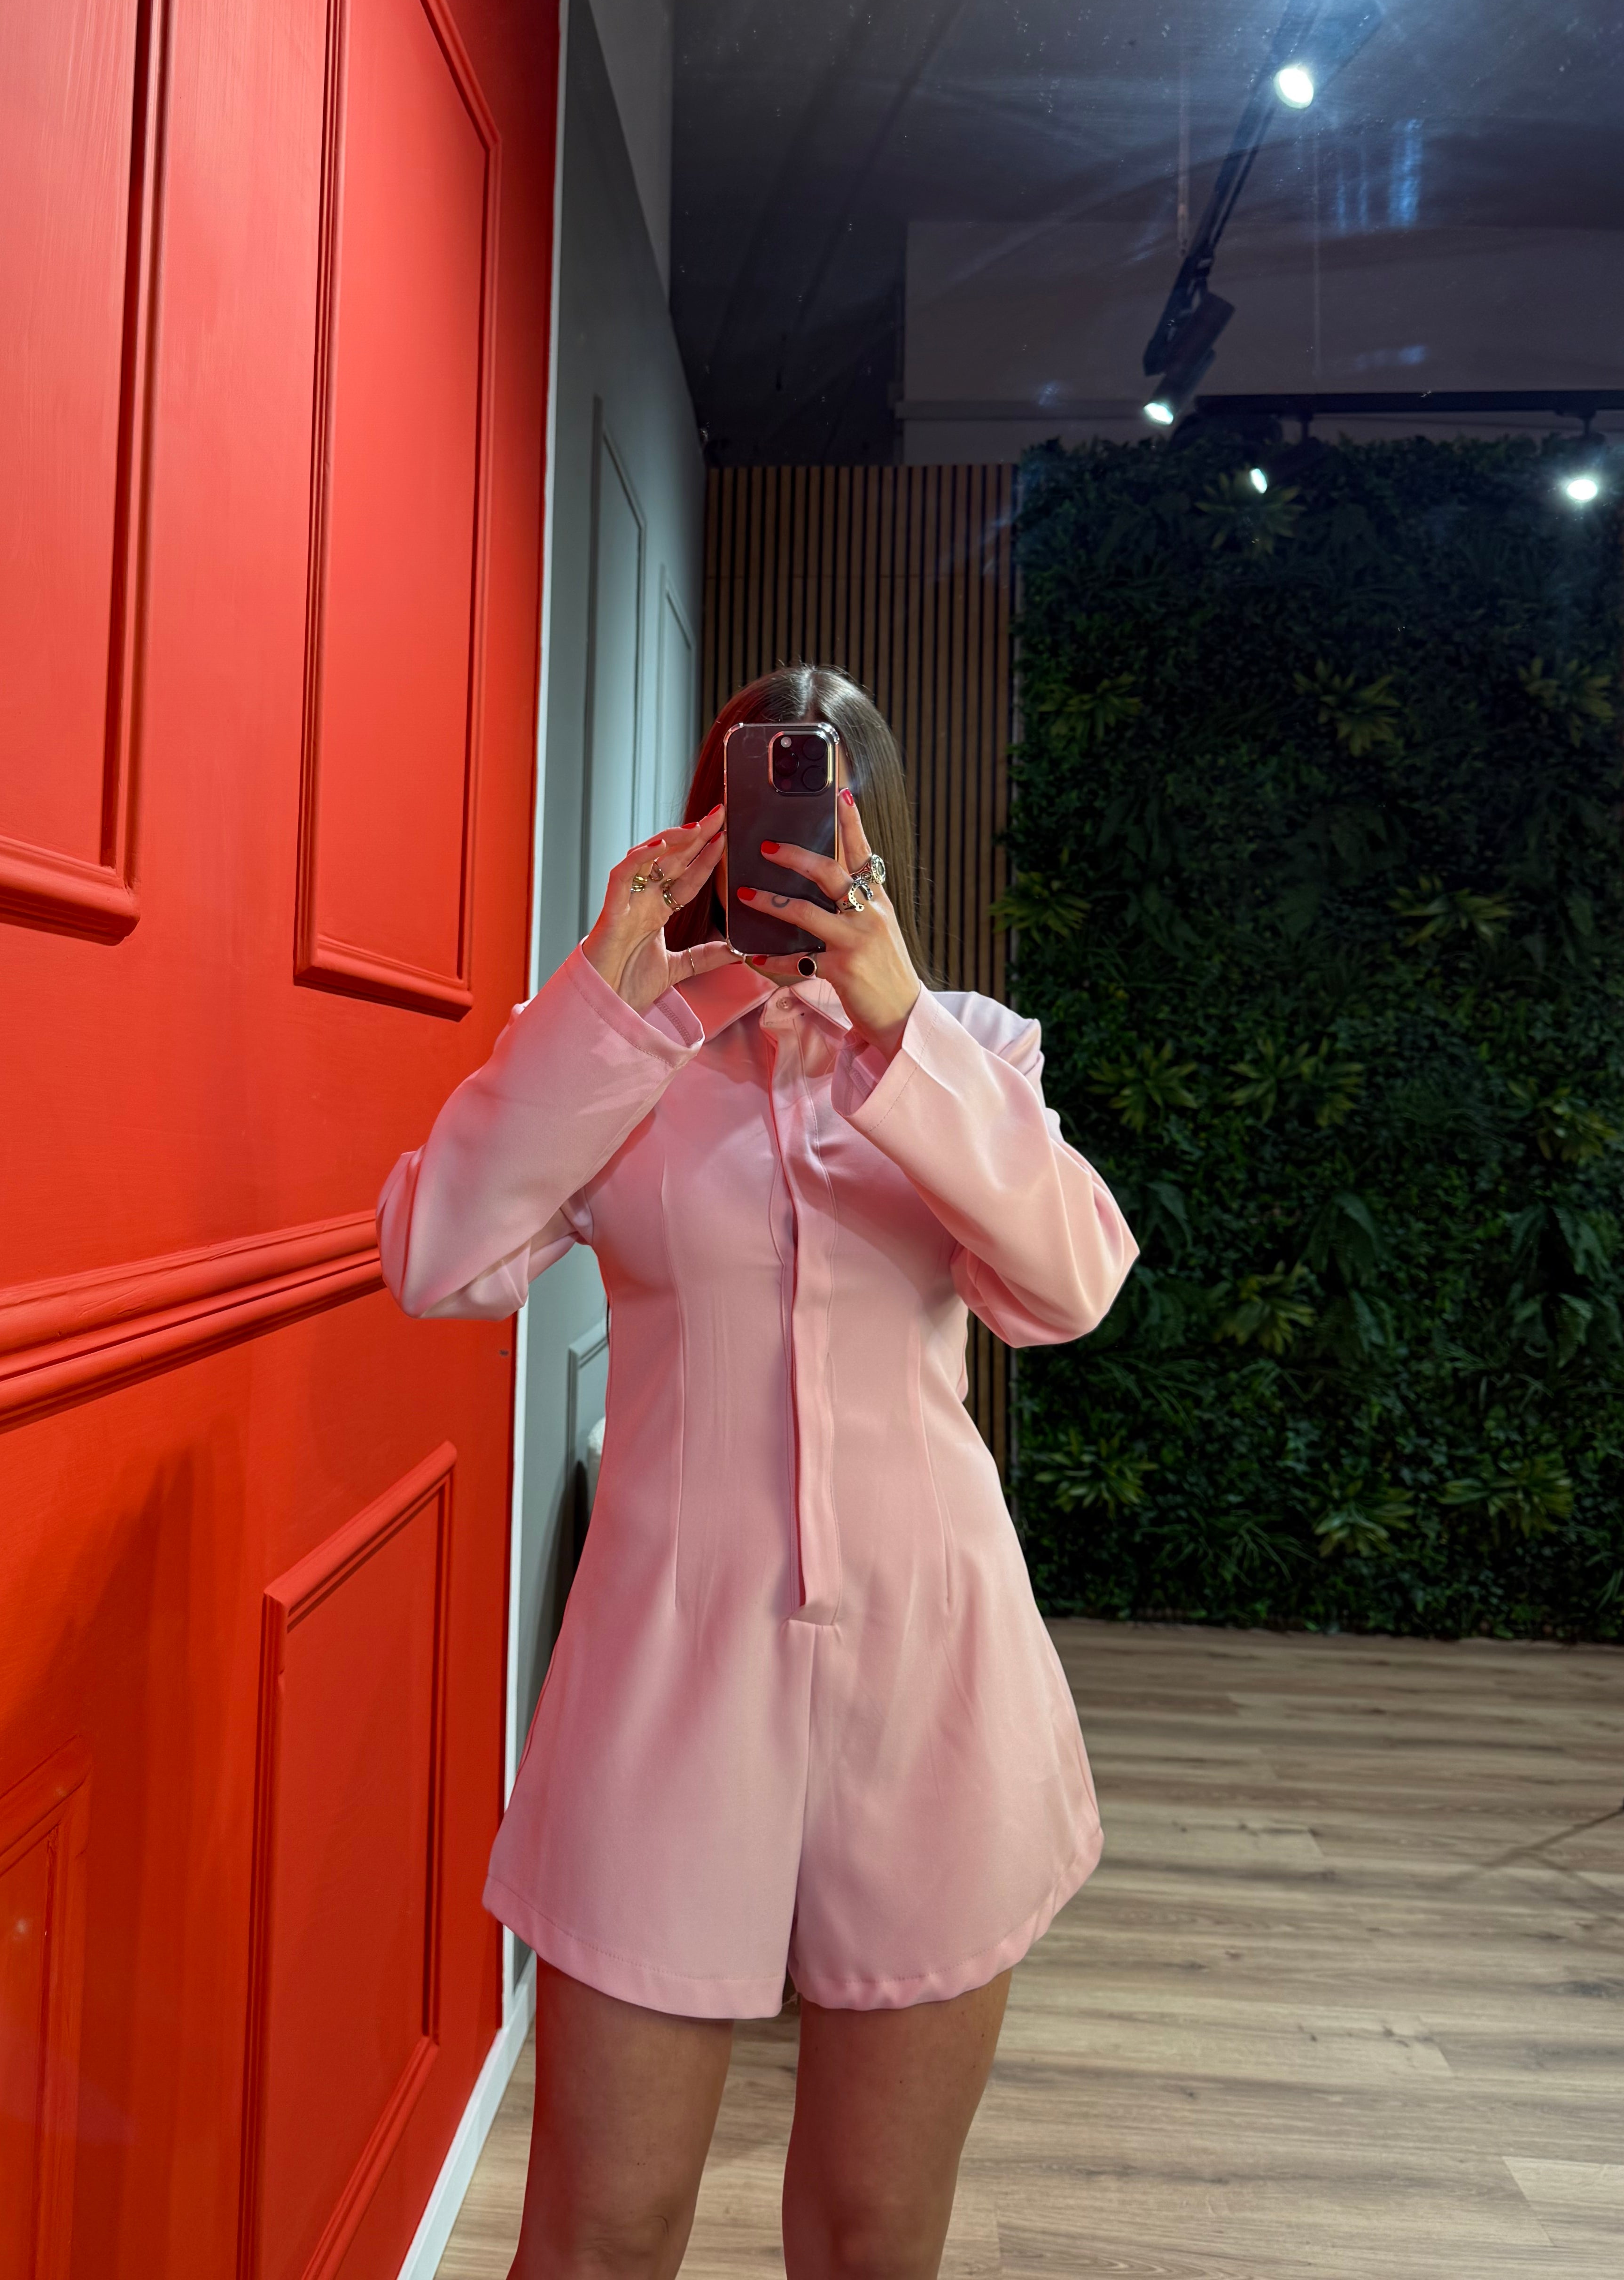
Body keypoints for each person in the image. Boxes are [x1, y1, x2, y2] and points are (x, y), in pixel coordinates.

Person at [379, 666, 1136, 2280]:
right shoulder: (619, 1054)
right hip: (668, 1674)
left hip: (935, 1678)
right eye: (759, 810)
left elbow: (1067, 1290)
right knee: (595, 2234)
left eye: (822, 814)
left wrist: (896, 1021)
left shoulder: (972, 1051)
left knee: (874, 2240)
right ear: (708, 828)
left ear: (871, 840)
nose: (788, 848)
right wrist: (604, 998)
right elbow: (438, 1258)